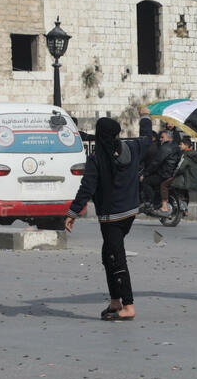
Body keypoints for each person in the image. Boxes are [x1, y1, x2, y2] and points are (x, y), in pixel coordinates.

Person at [65, 109, 156, 321]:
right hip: (130, 212)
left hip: (111, 217)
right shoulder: (132, 148)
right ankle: (115, 301)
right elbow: (147, 138)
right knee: (108, 255)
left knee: (117, 258)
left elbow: (87, 188)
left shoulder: (97, 159)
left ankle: (128, 305)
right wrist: (145, 117)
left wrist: (72, 212)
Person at [156, 136, 197, 216]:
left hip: (186, 180)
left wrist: (173, 174)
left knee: (164, 184)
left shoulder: (186, 155)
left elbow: (180, 167)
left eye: (181, 144)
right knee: (184, 191)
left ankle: (165, 206)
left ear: (186, 146)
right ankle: (185, 209)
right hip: (194, 181)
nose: (179, 146)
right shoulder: (195, 155)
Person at [141, 129, 180, 207]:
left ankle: (155, 202)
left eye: (162, 137)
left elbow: (156, 163)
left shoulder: (165, 148)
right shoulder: (176, 146)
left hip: (165, 174)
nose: (160, 139)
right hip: (173, 174)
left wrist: (145, 174)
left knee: (145, 181)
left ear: (169, 138)